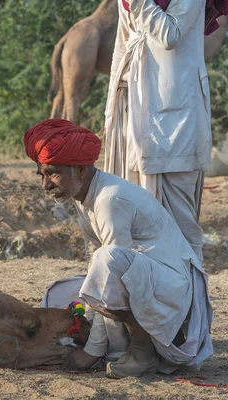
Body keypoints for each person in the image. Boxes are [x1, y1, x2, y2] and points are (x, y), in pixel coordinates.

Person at [24, 119, 213, 378]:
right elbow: (97, 268)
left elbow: (110, 269)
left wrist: (92, 351)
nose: (45, 185)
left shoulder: (110, 199)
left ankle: (142, 352)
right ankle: (115, 342)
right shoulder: (84, 194)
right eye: (41, 174)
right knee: (57, 295)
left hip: (172, 291)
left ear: (80, 170)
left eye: (53, 173)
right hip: (144, 278)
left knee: (107, 260)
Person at [105, 0, 213, 262]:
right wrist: (112, 110)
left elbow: (169, 35)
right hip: (134, 113)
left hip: (179, 120)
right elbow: (122, 45)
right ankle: (150, 298)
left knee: (182, 227)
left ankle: (192, 300)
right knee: (136, 224)